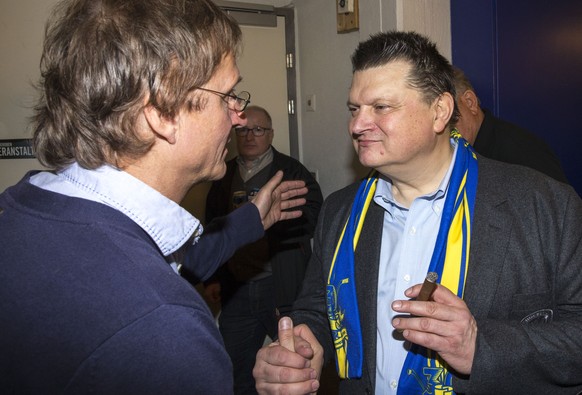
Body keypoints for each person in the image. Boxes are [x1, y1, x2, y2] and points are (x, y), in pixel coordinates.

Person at [0, 0, 308, 393]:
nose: (239, 116)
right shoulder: (162, 329)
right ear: (161, 113)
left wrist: (250, 218)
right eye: (228, 95)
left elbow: (165, 258)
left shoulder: (25, 209)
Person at [253, 31, 582, 394]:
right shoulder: (340, 211)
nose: (357, 125)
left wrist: (479, 345)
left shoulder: (544, 204)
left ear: (440, 111)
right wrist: (304, 348)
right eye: (354, 109)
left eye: (381, 107)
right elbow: (319, 308)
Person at [202, 105, 323, 394]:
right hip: (237, 289)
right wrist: (213, 278)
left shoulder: (292, 170)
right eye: (242, 130)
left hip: (281, 286)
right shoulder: (222, 174)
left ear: (270, 134)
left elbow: (315, 215)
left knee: (296, 366)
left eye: (257, 129)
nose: (249, 136)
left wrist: (270, 224)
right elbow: (211, 229)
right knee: (234, 370)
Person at [452, 66, 569, 183]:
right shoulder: (464, 152)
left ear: (470, 102)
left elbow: (558, 199)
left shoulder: (522, 153)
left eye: (449, 115)